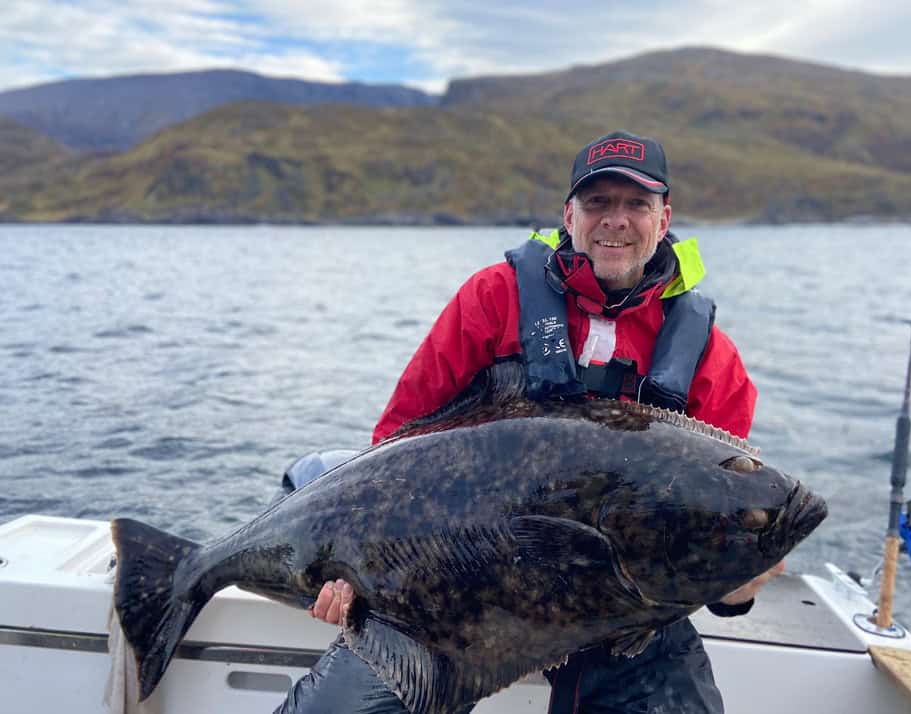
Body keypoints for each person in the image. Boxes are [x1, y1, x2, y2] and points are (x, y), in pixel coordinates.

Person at [276, 130, 784, 714]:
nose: (615, 220)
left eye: (636, 204)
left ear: (664, 217)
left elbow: (722, 526)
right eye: (598, 203)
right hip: (459, 588)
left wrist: (740, 586)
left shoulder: (710, 359)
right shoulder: (493, 299)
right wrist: (362, 565)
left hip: (623, 615)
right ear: (569, 215)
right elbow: (397, 445)